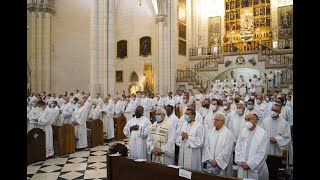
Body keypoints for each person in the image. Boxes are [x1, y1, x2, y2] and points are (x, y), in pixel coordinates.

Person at [235, 113, 269, 179]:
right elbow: (238, 148)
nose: (247, 121)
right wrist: (241, 161)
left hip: (256, 168)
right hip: (242, 166)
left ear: (255, 121)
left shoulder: (263, 133)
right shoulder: (243, 131)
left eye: (249, 119)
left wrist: (249, 164)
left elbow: (263, 152)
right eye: (245, 119)